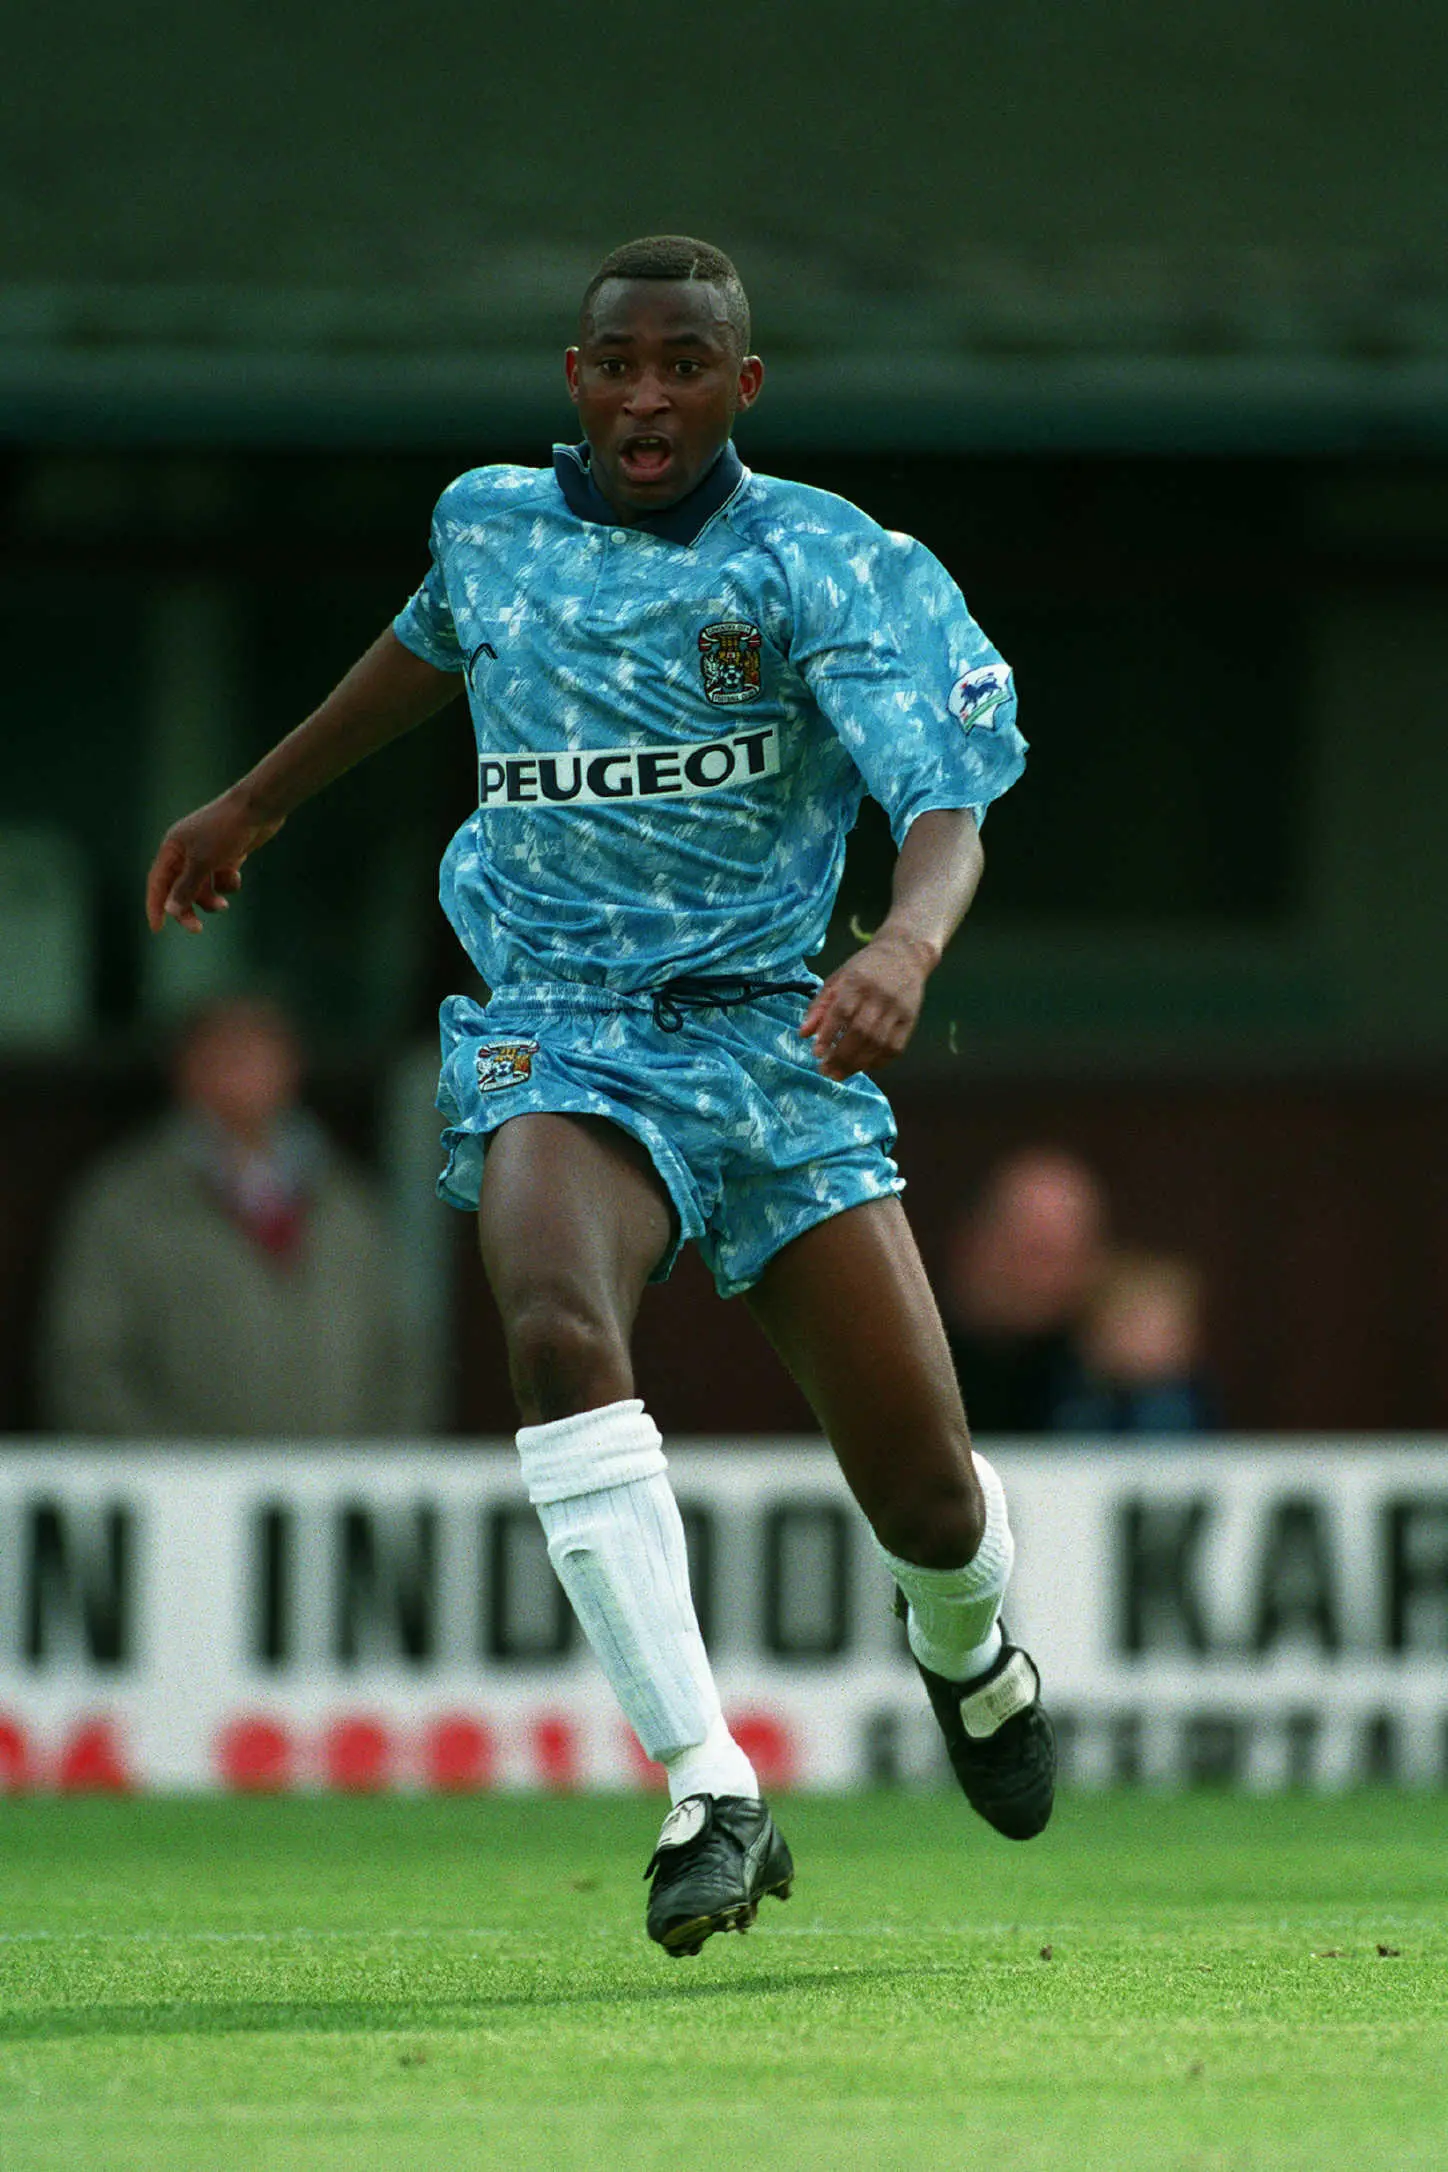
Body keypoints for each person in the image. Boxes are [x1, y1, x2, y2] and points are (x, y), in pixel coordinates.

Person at [145, 235, 1054, 1956]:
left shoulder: (822, 562)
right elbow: (427, 647)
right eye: (617, 364)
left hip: (772, 1041)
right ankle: (708, 1782)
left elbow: (941, 801)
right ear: (575, 380)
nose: (647, 395)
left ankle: (967, 1642)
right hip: (552, 1025)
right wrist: (254, 801)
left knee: (927, 1496)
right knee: (554, 1319)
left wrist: (908, 950)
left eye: (683, 366)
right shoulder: (489, 520)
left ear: (740, 386)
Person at [40, 996, 419, 1438]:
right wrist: (169, 1474)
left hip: (331, 1493)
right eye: (220, 1056)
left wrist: (375, 1466)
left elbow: (403, 1356)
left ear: (292, 1068)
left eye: (256, 1055)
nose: (239, 1074)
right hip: (180, 1495)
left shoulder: (349, 1202)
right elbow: (85, 1363)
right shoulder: (126, 1202)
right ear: (183, 1070)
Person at [942, 1147, 1108, 1434]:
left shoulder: (1117, 1385)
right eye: (1028, 1250)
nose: (1039, 1278)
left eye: (1058, 1254)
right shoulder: (915, 1366)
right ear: (976, 1245)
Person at [1055, 1250, 1217, 1435]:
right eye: (1133, 1325)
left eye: (1161, 1330)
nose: (1146, 1343)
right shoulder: (1076, 1402)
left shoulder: (1183, 1407)